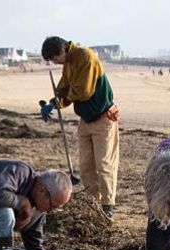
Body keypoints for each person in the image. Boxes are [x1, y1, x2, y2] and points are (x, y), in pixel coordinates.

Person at [42, 36, 120, 219]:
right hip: (85, 120)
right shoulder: (68, 62)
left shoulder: (86, 57)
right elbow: (63, 89)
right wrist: (53, 103)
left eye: (54, 59)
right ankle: (93, 203)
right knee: (86, 165)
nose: (55, 63)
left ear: (61, 51)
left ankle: (108, 205)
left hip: (103, 118)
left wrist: (64, 97)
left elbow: (83, 92)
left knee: (104, 164)